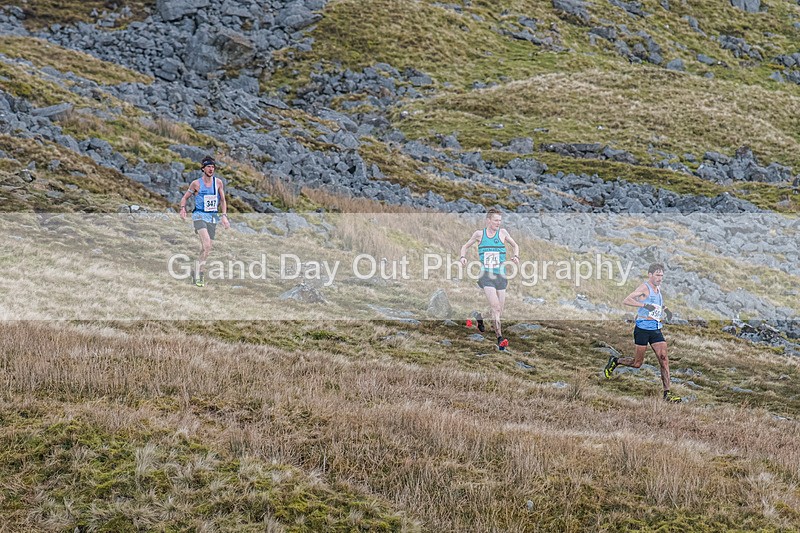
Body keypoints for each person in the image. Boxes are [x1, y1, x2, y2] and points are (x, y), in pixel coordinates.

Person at [604, 263, 680, 403]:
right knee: (637, 363)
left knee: (663, 358)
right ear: (650, 275)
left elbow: (656, 304)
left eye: (662, 275)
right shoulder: (644, 287)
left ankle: (667, 393)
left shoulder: (658, 288)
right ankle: (616, 361)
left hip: (656, 328)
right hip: (643, 328)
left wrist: (666, 309)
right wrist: (644, 305)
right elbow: (627, 300)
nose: (660, 278)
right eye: (657, 275)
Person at [459, 208, 520, 351]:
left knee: (499, 310)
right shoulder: (479, 234)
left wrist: (516, 256)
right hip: (486, 276)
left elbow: (515, 245)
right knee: (496, 307)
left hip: (501, 276)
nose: (498, 223)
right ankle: (500, 339)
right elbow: (465, 246)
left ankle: (479, 316)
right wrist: (462, 258)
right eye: (496, 220)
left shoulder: (503, 233)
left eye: (500, 220)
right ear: (488, 221)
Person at [178, 156, 230, 287]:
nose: (211, 169)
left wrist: (224, 216)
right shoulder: (196, 184)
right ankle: (199, 275)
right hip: (199, 216)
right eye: (208, 167)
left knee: (206, 248)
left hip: (212, 217)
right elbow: (184, 198)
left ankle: (196, 270)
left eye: (213, 167)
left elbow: (223, 201)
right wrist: (182, 209)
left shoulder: (218, 183)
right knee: (206, 244)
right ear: (203, 168)